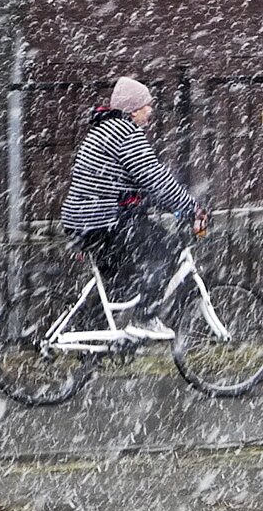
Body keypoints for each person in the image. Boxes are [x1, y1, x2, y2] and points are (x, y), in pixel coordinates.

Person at [61, 76, 206, 340]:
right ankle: (146, 318)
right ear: (132, 109)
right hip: (102, 220)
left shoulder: (104, 130)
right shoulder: (125, 134)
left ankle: (102, 332)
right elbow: (154, 178)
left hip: (86, 221)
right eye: (147, 105)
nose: (151, 111)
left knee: (125, 277)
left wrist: (157, 202)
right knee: (167, 247)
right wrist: (190, 207)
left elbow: (126, 182)